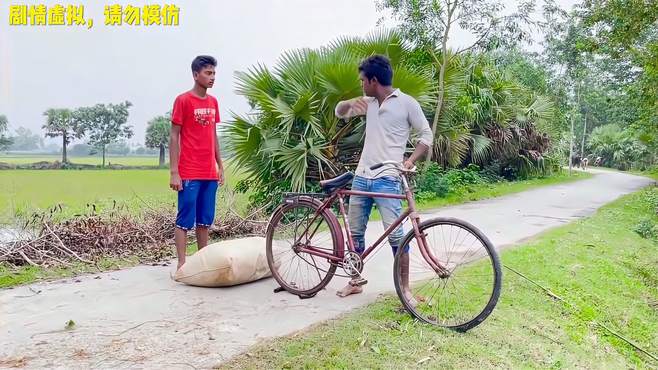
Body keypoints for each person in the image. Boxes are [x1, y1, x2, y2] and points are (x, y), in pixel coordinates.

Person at [334, 55, 433, 300]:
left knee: (397, 237)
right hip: (362, 175)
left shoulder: (407, 103)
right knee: (355, 232)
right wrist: (347, 106)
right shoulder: (368, 103)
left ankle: (405, 290)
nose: (361, 84)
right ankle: (355, 280)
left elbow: (426, 136)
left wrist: (409, 161)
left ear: (373, 80)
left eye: (362, 81)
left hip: (387, 178)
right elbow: (339, 112)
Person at [169, 55, 224, 270]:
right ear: (195, 75)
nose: (212, 78)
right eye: (207, 73)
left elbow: (213, 134)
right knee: (185, 219)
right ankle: (182, 264)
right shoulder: (183, 100)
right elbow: (174, 136)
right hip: (189, 171)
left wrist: (220, 165)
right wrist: (174, 172)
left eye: (213, 73)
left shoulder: (213, 102)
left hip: (209, 171)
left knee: (204, 221)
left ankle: (202, 263)